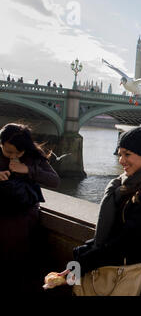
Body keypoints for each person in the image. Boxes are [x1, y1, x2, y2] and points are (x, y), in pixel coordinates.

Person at [71, 127, 141, 295]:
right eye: (120, 154)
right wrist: (90, 248)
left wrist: (87, 259)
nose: (121, 160)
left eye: (127, 154)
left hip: (128, 273)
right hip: (112, 266)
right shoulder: (129, 183)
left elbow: (132, 241)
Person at [0, 123, 60, 295]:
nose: (13, 156)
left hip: (22, 217)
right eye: (8, 152)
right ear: (1, 144)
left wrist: (28, 170)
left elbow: (54, 181)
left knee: (17, 260)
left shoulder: (33, 156)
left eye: (18, 153)